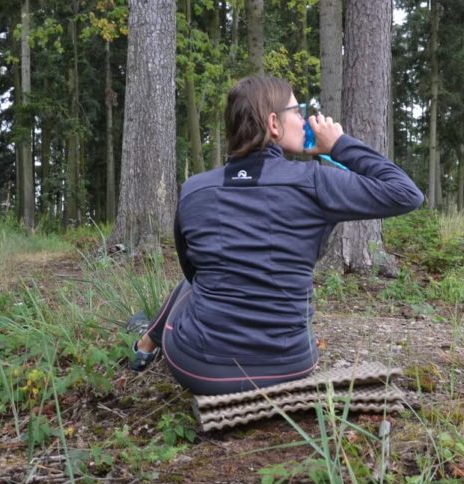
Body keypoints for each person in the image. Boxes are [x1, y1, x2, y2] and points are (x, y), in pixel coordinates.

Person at [127, 76, 424, 396]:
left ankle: (146, 343)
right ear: (274, 123)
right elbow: (405, 193)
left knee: (197, 281)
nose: (306, 119)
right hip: (289, 367)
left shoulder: (195, 190)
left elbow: (192, 275)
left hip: (200, 369)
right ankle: (148, 339)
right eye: (298, 111)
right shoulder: (316, 182)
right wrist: (339, 145)